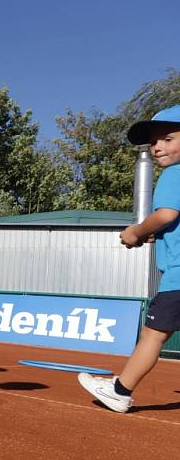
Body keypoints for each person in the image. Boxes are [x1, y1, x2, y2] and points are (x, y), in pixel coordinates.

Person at [78, 105, 180, 413]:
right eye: (154, 141)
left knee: (153, 334)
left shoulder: (175, 174)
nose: (158, 146)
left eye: (168, 138)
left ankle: (120, 390)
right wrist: (157, 233)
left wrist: (137, 231)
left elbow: (165, 214)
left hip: (178, 276)